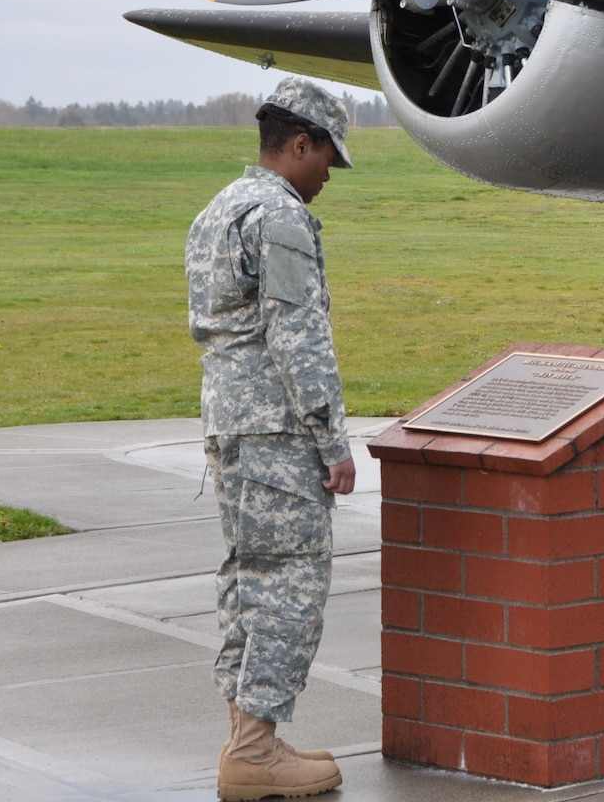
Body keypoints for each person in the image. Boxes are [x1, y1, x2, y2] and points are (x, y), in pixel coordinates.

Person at [187, 77, 357, 801]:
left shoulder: (220, 208)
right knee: (289, 588)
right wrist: (332, 442)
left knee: (248, 583)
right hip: (277, 433)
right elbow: (299, 340)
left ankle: (247, 742)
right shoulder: (279, 217)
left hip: (230, 427)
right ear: (299, 143)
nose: (328, 175)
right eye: (326, 158)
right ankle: (254, 759)